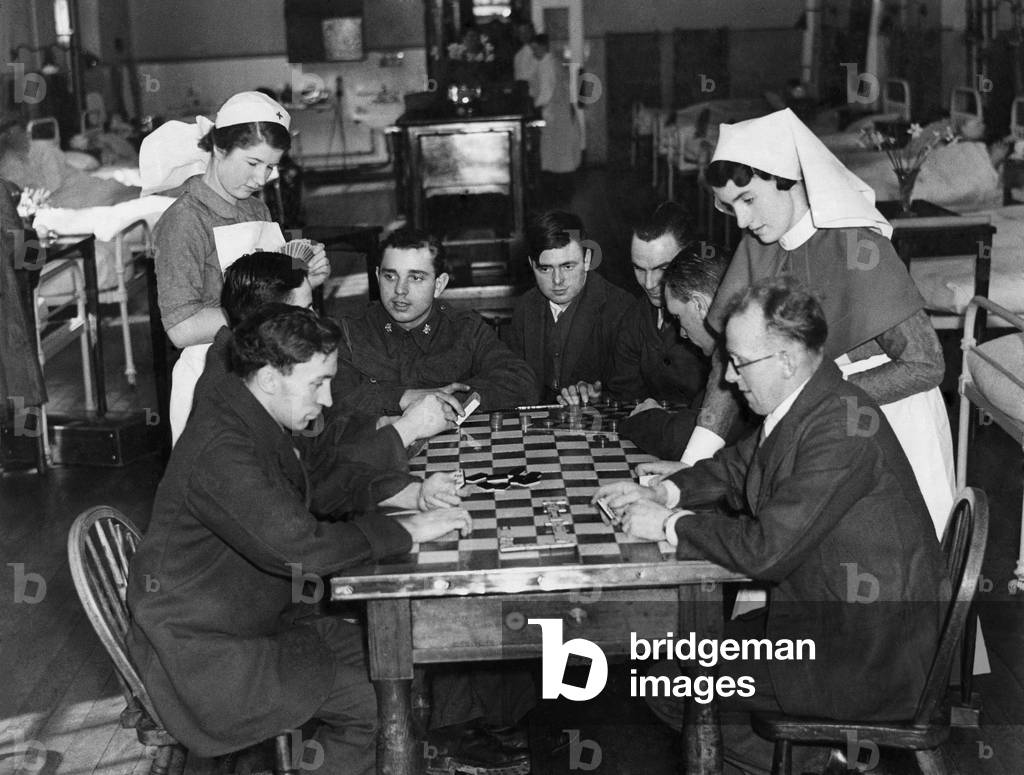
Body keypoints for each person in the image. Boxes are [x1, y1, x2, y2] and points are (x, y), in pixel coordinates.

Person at [595, 278, 948, 773]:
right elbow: (736, 467)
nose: (730, 379)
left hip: (870, 655)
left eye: (740, 363)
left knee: (671, 684)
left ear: (784, 360)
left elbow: (766, 552)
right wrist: (663, 491)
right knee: (677, 664)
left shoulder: (840, 427)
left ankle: (825, 763)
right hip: (834, 621)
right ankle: (818, 759)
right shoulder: (810, 401)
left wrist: (670, 523)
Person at [126, 306, 471, 774]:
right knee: (376, 708)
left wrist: (406, 494)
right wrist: (404, 531)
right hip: (204, 654)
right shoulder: (222, 448)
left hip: (255, 620)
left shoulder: (246, 411)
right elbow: (300, 550)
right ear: (270, 377)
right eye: (317, 383)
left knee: (407, 657)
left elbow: (316, 483)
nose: (327, 399)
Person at [668, 107, 954, 534]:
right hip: (812, 426)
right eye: (732, 207)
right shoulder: (757, 248)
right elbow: (726, 366)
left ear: (789, 178)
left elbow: (927, 365)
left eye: (748, 200)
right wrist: (690, 465)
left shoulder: (857, 244)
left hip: (891, 425)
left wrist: (813, 399)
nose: (742, 221)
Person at [142, 90, 330, 444]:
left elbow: (270, 286)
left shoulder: (255, 210)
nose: (261, 179)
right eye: (252, 163)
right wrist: (267, 308)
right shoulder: (184, 221)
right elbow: (180, 328)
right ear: (219, 148)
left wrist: (305, 279)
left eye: (271, 167)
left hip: (260, 363)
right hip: (210, 373)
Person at [194, 252, 452, 479]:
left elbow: (317, 441)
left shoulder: (261, 358)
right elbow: (306, 481)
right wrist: (406, 430)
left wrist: (382, 425)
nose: (315, 317)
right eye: (306, 308)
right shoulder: (232, 389)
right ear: (270, 320)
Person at [332, 228, 536, 415]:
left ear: (439, 285)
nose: (400, 290)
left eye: (416, 278)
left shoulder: (465, 329)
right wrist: (404, 398)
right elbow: (331, 394)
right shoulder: (349, 331)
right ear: (377, 277)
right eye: (390, 276)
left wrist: (452, 401)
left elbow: (519, 381)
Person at [606, 202, 710, 457]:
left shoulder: (713, 322)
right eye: (639, 269)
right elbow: (625, 403)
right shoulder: (633, 319)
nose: (649, 283)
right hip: (651, 448)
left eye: (662, 269)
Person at [505, 210, 633, 405]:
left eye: (567, 266)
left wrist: (600, 397)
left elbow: (631, 393)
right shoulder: (525, 307)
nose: (557, 280)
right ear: (532, 265)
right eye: (545, 268)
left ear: (587, 260)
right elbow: (513, 382)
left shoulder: (621, 308)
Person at [530, 34, 581, 204]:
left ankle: (561, 194)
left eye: (536, 49)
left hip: (556, 115)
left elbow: (547, 91)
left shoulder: (548, 64)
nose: (534, 52)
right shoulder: (548, 63)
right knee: (558, 155)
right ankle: (562, 193)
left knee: (558, 155)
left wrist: (535, 105)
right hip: (557, 114)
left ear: (544, 47)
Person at [512, 19, 538, 86]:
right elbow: (518, 78)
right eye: (521, 33)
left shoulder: (540, 52)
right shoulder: (518, 56)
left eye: (527, 32)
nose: (524, 35)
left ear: (532, 31)